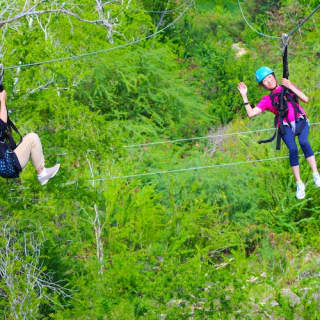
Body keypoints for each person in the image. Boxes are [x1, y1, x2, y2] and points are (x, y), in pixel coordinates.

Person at [237, 66, 320, 200]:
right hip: (284, 125)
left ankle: (316, 173)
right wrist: (244, 95)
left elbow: (305, 99)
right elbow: (251, 114)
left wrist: (290, 86)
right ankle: (299, 183)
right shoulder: (267, 100)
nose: (269, 81)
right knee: (293, 149)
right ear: (263, 85)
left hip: (300, 121)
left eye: (270, 77)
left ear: (274, 76)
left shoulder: (287, 87)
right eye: (265, 80)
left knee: (304, 142)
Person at [0, 90, 60, 185]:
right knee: (32, 138)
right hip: (8, 164)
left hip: (7, 162)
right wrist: (2, 100)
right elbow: (2, 124)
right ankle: (42, 174)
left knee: (30, 142)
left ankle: (42, 171)